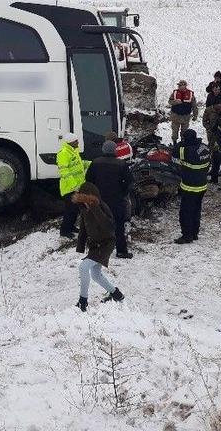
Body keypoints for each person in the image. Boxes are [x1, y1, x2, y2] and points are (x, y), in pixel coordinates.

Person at [74, 182, 125, 312]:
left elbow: (108, 226)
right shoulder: (84, 209)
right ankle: (117, 295)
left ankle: (82, 301)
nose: (85, 203)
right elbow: (83, 229)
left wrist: (95, 208)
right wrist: (80, 246)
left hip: (106, 244)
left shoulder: (101, 207)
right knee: (96, 275)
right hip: (95, 245)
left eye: (87, 200)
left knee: (83, 267)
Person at [86, 140, 134, 259]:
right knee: (118, 226)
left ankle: (97, 250)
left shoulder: (95, 163)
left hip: (99, 201)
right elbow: (129, 182)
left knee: (99, 225)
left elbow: (88, 180)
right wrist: (123, 193)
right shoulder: (121, 164)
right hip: (116, 200)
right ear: (114, 150)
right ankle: (121, 251)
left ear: (103, 149)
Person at [173, 129, 211, 244]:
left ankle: (186, 236)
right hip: (202, 185)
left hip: (190, 187)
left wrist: (181, 142)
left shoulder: (188, 151)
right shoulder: (204, 148)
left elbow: (175, 151)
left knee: (186, 212)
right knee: (196, 210)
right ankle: (194, 233)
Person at [57, 133, 87, 238]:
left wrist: (91, 163)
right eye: (76, 141)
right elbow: (65, 173)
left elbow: (79, 164)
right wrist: (74, 186)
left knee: (75, 209)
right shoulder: (63, 154)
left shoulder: (73, 151)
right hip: (69, 188)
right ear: (70, 142)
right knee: (71, 210)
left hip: (76, 187)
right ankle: (64, 231)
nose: (78, 142)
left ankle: (71, 227)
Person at [168, 80, 195, 146]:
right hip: (175, 116)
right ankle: (174, 143)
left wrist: (195, 114)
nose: (180, 87)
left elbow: (194, 105)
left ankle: (183, 143)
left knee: (184, 131)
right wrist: (175, 102)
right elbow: (169, 101)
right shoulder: (174, 93)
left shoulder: (191, 94)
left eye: (181, 85)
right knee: (175, 131)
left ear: (185, 86)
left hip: (186, 116)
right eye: (179, 85)